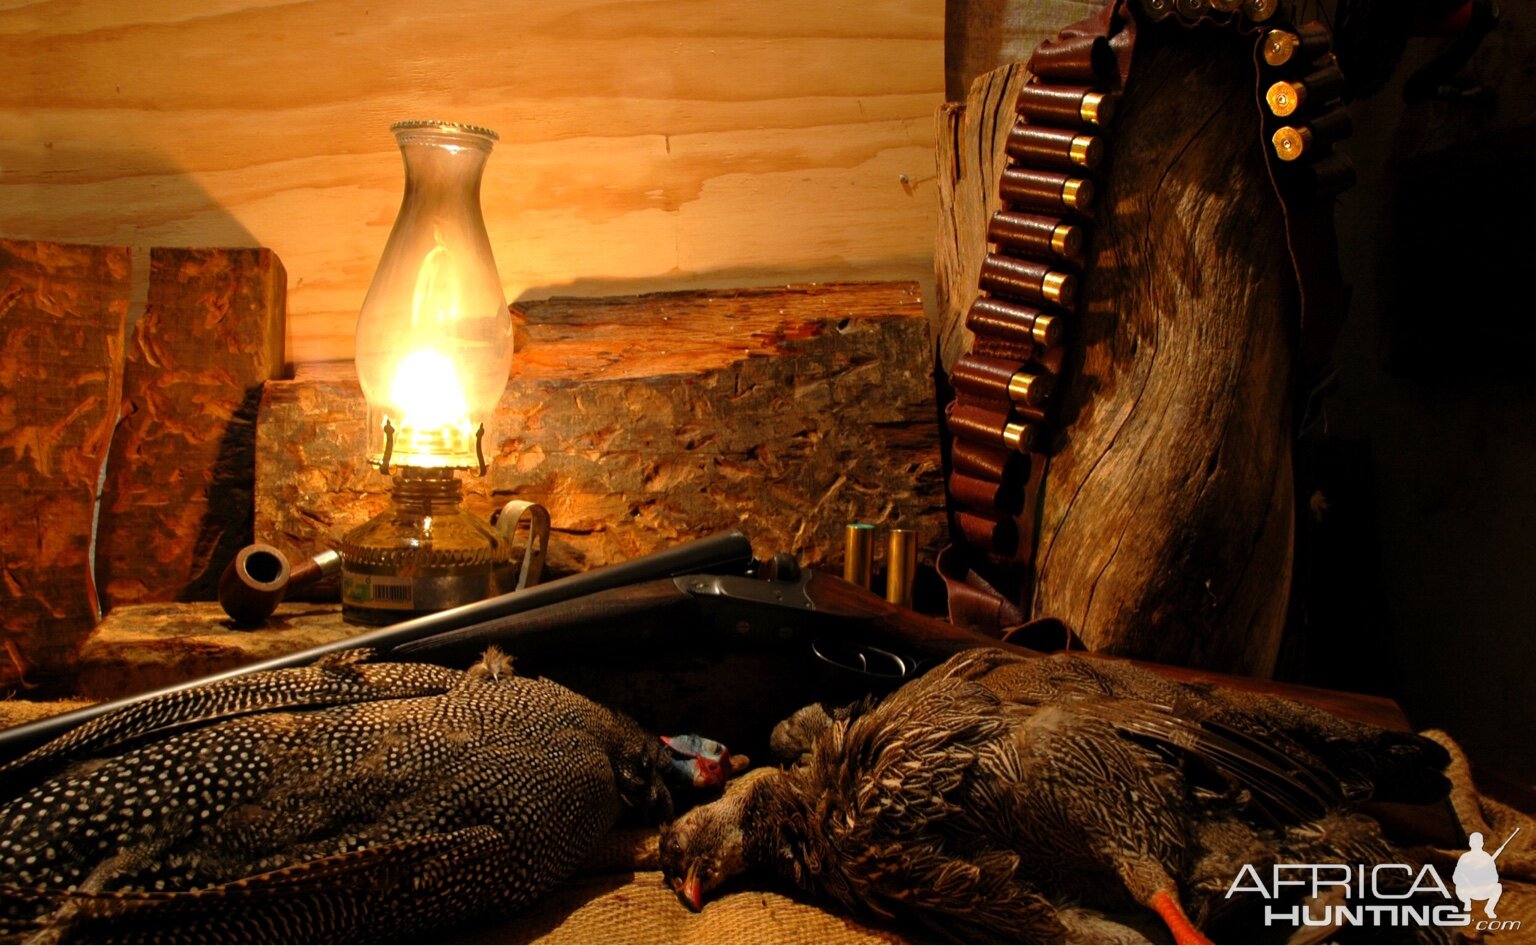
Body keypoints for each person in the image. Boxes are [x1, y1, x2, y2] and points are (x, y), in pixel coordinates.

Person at [1453, 832, 1502, 919]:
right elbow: (1456, 877)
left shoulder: (1486, 857)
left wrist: (1482, 877)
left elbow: (1494, 878)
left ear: (1482, 843)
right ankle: (1467, 903)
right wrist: (1467, 879)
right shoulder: (1465, 857)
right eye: (1474, 842)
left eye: (1477, 842)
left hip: (1482, 890)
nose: (1476, 844)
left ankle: (1489, 909)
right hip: (1467, 891)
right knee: (1458, 887)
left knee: (1498, 887)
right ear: (1470, 843)